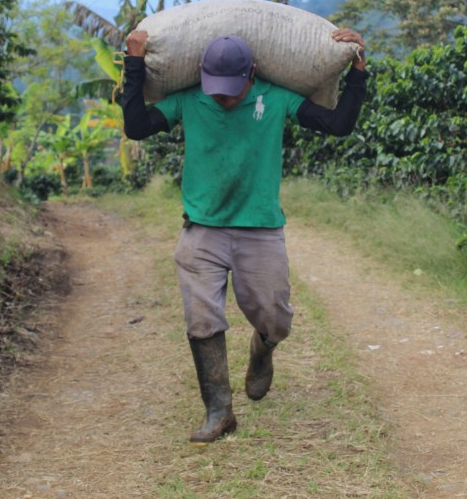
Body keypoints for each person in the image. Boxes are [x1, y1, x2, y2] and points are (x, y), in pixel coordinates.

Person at [119, 26, 368, 444]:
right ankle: (219, 411)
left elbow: (338, 125)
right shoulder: (189, 100)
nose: (223, 98)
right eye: (216, 89)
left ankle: (262, 350)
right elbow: (137, 127)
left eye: (231, 91)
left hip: (260, 229)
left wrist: (358, 73)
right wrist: (134, 64)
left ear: (252, 73)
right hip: (202, 229)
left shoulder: (277, 99)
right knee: (201, 319)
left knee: (275, 319)